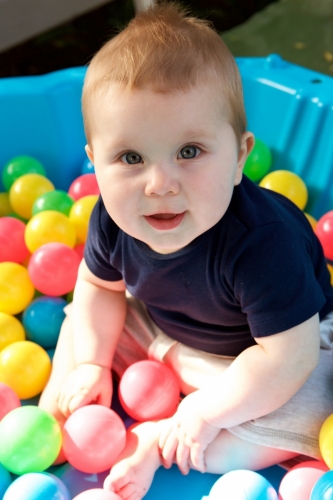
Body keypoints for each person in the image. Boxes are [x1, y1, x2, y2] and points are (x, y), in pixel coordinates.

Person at [39, 2, 333, 499]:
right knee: (82, 314)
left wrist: (205, 412)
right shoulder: (110, 219)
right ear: (95, 164)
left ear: (240, 156)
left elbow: (289, 356)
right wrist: (91, 361)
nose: (159, 184)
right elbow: (97, 287)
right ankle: (51, 421)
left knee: (315, 405)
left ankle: (160, 441)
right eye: (130, 157)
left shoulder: (262, 243)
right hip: (164, 330)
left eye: (189, 152)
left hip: (271, 354)